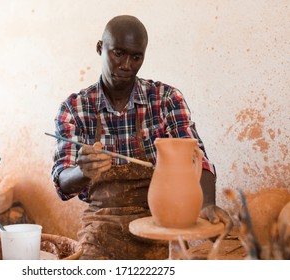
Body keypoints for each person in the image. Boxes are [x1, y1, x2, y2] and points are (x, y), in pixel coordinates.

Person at [50, 15, 230, 260]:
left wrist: (207, 203)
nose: (126, 65)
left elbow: (198, 158)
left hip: (161, 220)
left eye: (136, 57)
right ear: (100, 48)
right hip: (102, 225)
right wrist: (83, 171)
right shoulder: (75, 108)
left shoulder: (165, 99)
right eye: (118, 53)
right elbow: (62, 183)